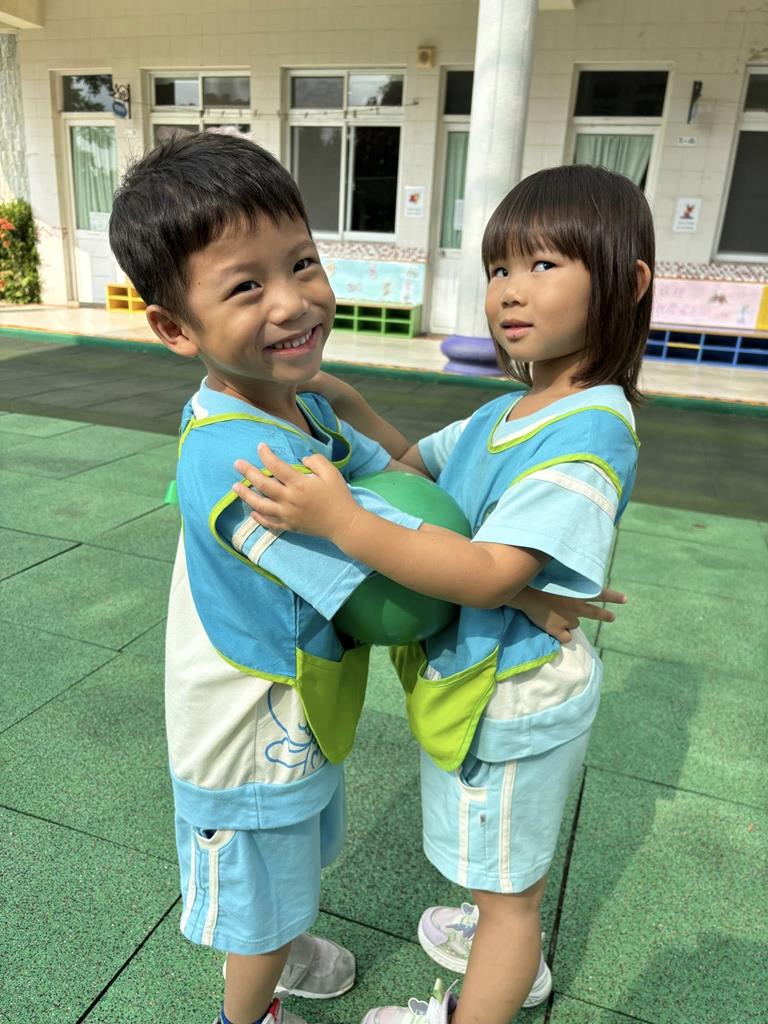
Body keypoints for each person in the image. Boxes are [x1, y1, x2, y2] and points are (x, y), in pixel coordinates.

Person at [107, 133, 610, 1024]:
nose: (294, 301)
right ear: (175, 328)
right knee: (259, 874)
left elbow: (399, 483)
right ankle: (246, 1008)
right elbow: (394, 579)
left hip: (298, 702)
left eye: (301, 263)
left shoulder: (297, 405)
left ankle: (278, 945)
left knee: (291, 852)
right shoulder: (240, 463)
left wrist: (349, 411)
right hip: (243, 721)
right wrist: (508, 583)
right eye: (246, 286)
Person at [231, 164, 654, 1024]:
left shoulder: (592, 427)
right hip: (490, 670)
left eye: (544, 266)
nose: (510, 291)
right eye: (500, 268)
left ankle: (492, 974)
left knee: (512, 900)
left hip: (515, 688)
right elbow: (416, 469)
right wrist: (344, 400)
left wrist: (344, 523)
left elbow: (492, 570)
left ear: (629, 282)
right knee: (501, 866)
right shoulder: (514, 410)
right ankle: (497, 940)